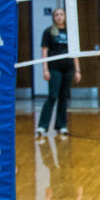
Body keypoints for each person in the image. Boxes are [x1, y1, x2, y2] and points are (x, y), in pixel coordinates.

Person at [35, 8, 81, 138]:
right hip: (54, 67)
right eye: (56, 15)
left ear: (65, 16)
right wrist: (45, 69)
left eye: (61, 14)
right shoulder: (48, 32)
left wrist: (77, 70)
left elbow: (75, 53)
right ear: (53, 17)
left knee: (63, 96)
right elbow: (44, 51)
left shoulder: (70, 32)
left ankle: (61, 126)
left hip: (69, 68)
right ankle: (42, 126)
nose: (59, 17)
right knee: (53, 95)